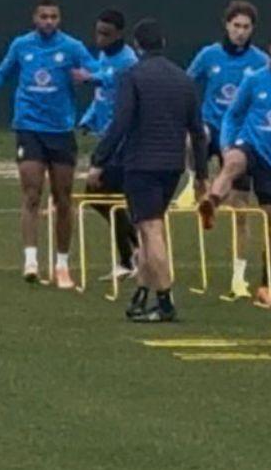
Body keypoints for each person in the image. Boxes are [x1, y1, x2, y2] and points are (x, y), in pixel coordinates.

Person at [90, 19, 208, 322]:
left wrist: (99, 160)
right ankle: (141, 293)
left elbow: (121, 123)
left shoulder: (134, 76)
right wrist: (202, 176)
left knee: (151, 230)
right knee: (146, 229)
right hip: (172, 166)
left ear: (138, 46)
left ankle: (165, 300)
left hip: (141, 164)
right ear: (163, 43)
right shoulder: (184, 80)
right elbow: (197, 132)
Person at [0, 0, 98, 289]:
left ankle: (62, 264)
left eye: (54, 17)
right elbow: (3, 70)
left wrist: (89, 77)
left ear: (60, 19)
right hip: (29, 127)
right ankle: (31, 260)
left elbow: (98, 72)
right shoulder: (21, 45)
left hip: (60, 129)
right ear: (35, 18)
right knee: (32, 193)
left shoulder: (71, 47)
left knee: (63, 198)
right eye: (44, 16)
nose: (48, 22)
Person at [198, 30, 271, 309]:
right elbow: (233, 115)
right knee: (235, 162)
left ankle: (266, 286)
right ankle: (212, 201)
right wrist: (227, 145)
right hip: (249, 145)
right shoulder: (253, 80)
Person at [187, 0, 270, 298]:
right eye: (236, 26)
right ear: (227, 26)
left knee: (241, 209)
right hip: (210, 127)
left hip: (238, 138)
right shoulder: (209, 55)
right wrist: (189, 117)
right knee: (192, 138)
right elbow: (187, 84)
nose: (240, 32)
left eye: (246, 27)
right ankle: (193, 184)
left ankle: (239, 276)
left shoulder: (260, 61)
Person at [78, 9, 140, 278]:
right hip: (105, 137)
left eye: (106, 34)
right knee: (102, 198)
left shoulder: (128, 60)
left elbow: (110, 79)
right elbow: (101, 95)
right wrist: (88, 119)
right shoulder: (104, 56)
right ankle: (130, 257)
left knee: (99, 194)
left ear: (119, 34)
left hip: (122, 140)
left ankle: (136, 251)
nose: (100, 38)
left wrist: (89, 77)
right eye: (98, 32)